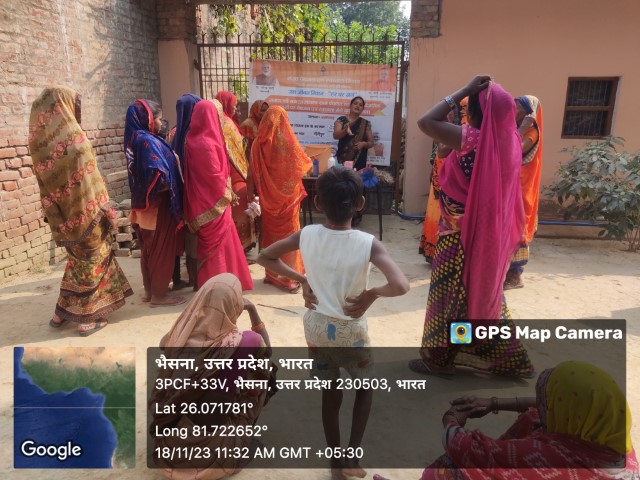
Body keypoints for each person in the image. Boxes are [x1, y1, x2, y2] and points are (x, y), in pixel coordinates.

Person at [257, 166, 410, 480]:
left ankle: (335, 460)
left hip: (316, 327)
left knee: (330, 391)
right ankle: (351, 458)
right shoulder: (368, 242)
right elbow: (401, 285)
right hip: (350, 330)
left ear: (317, 203)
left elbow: (265, 257)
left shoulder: (307, 234)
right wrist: (371, 294)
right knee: (365, 388)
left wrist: (302, 279)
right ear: (360, 204)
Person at [409, 76, 534, 378]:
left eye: (468, 108)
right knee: (474, 299)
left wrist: (463, 90)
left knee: (448, 300)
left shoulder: (474, 138)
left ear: (477, 112)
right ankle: (505, 358)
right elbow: (443, 149)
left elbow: (426, 122)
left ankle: (440, 359)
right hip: (485, 235)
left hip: (458, 237)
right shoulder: (510, 141)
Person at [150, 273, 277, 480]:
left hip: (170, 447)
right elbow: (268, 351)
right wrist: (253, 310)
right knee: (265, 369)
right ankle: (238, 435)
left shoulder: (177, 335)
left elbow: (164, 345)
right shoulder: (246, 341)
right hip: (209, 452)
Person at [29, 86, 133, 336]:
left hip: (62, 218)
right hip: (88, 215)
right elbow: (91, 180)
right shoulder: (76, 140)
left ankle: (61, 313)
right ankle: (87, 317)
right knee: (92, 262)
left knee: (76, 262)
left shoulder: (39, 145)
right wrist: (108, 211)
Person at [423, 360, 639, 479]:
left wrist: (452, 418)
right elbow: (542, 407)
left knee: (450, 468)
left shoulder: (549, 454)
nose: (543, 405)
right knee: (534, 418)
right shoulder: (615, 444)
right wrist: (493, 403)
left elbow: (460, 444)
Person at [183, 99, 253, 291]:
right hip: (215, 202)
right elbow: (214, 176)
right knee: (220, 246)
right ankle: (220, 286)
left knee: (210, 245)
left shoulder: (191, 139)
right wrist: (228, 193)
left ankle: (211, 284)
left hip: (199, 201)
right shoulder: (208, 143)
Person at [125, 99, 186, 307]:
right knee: (161, 250)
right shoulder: (147, 141)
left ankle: (150, 291)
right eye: (159, 119)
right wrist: (169, 183)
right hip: (158, 206)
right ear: (148, 119)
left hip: (143, 206)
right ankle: (160, 295)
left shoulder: (135, 138)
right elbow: (156, 172)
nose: (161, 123)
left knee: (148, 250)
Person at [251, 106, 311, 293]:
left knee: (271, 235)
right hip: (288, 200)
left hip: (267, 198)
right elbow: (302, 166)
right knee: (289, 237)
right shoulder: (287, 142)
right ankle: (289, 279)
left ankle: (271, 275)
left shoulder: (257, 143)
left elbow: (252, 172)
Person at [419, 99, 467, 264]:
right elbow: (439, 152)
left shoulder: (462, 131)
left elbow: (444, 150)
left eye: (453, 110)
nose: (449, 113)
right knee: (435, 212)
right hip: (439, 176)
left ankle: (442, 253)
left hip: (452, 181)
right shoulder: (446, 129)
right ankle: (433, 250)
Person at [504, 95, 543, 290]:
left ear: (530, 113)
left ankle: (515, 276)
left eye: (519, 108)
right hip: (511, 187)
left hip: (522, 189)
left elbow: (514, 151)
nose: (515, 111)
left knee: (518, 230)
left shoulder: (531, 132)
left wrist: (521, 128)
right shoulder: (514, 128)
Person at [215, 91, 258, 253]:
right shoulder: (227, 124)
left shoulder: (222, 122)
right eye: (233, 105)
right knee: (239, 210)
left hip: (229, 173)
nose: (235, 109)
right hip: (234, 174)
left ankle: (235, 249)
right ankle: (238, 249)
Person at [171, 93, 203, 291]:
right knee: (197, 240)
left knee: (189, 239)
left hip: (180, 197)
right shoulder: (195, 137)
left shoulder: (175, 135)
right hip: (196, 198)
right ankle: (197, 281)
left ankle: (190, 278)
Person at [333, 96, 373, 172]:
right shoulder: (342, 120)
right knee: (344, 177)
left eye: (360, 105)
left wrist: (363, 144)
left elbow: (371, 143)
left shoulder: (365, 123)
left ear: (362, 109)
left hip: (359, 160)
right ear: (350, 105)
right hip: (343, 158)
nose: (357, 106)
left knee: (357, 178)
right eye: (355, 103)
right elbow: (335, 135)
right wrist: (345, 130)